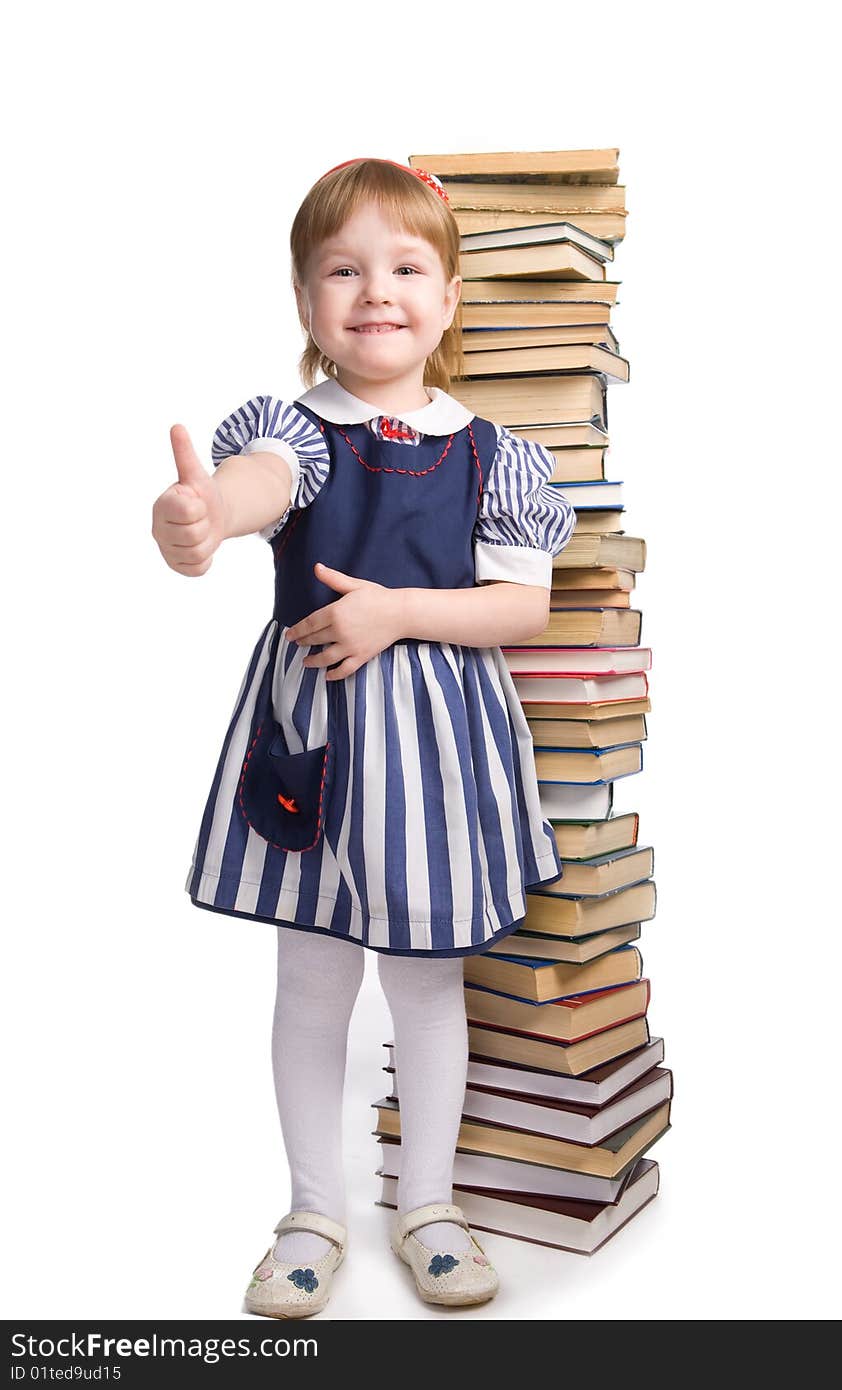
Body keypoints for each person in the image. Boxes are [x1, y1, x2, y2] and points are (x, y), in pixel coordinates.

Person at [152, 157, 577, 1318]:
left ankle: (428, 1204)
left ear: (446, 302)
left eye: (403, 268)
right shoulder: (302, 432)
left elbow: (519, 605)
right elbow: (257, 484)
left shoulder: (493, 452)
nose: (373, 290)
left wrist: (395, 613)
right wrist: (200, 516)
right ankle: (312, 1211)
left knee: (429, 980)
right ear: (305, 302)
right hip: (319, 746)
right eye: (342, 269)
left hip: (437, 756)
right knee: (310, 979)